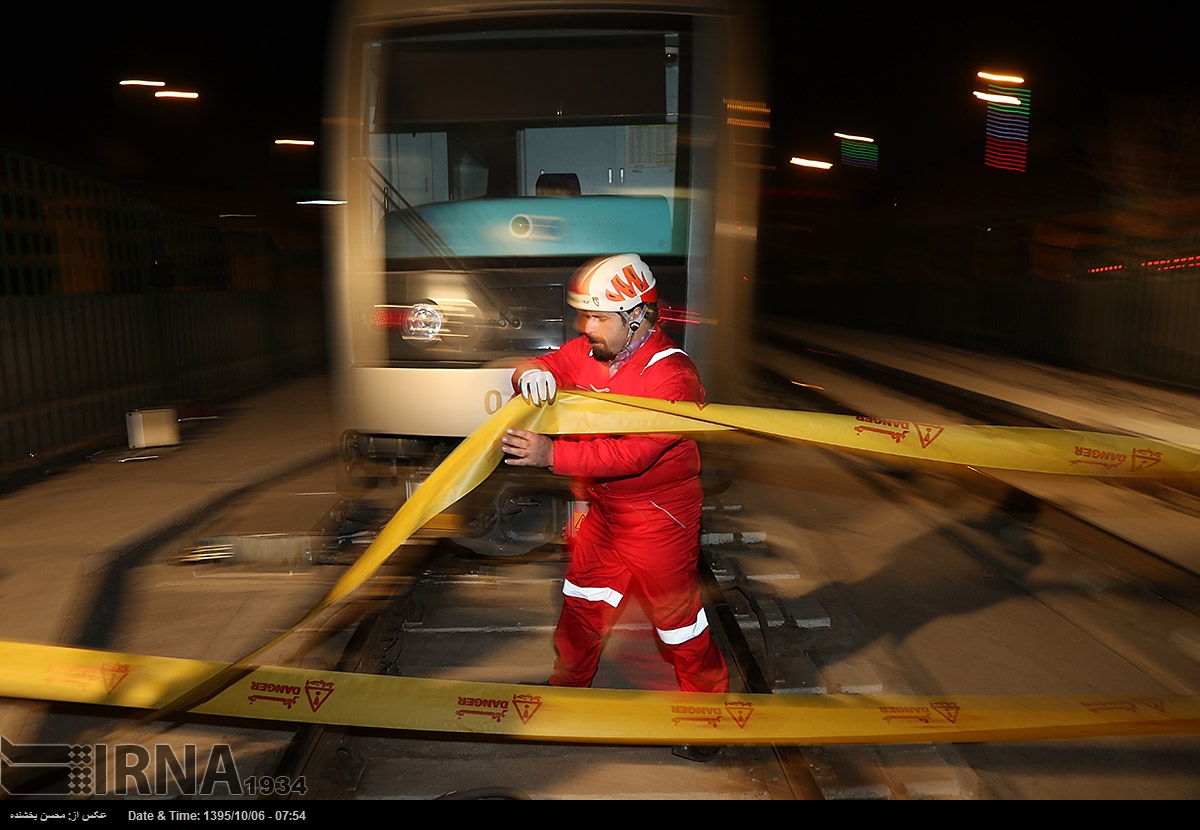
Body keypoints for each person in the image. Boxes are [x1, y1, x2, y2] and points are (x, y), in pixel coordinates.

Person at [501, 254, 729, 761]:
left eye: (598, 317)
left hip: (658, 518)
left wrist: (549, 454)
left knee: (678, 623)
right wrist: (531, 372)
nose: (586, 328)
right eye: (583, 315)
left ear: (637, 316)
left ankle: (708, 719)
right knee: (582, 604)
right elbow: (545, 364)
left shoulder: (673, 376)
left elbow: (634, 453)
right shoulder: (591, 351)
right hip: (606, 511)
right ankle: (569, 688)